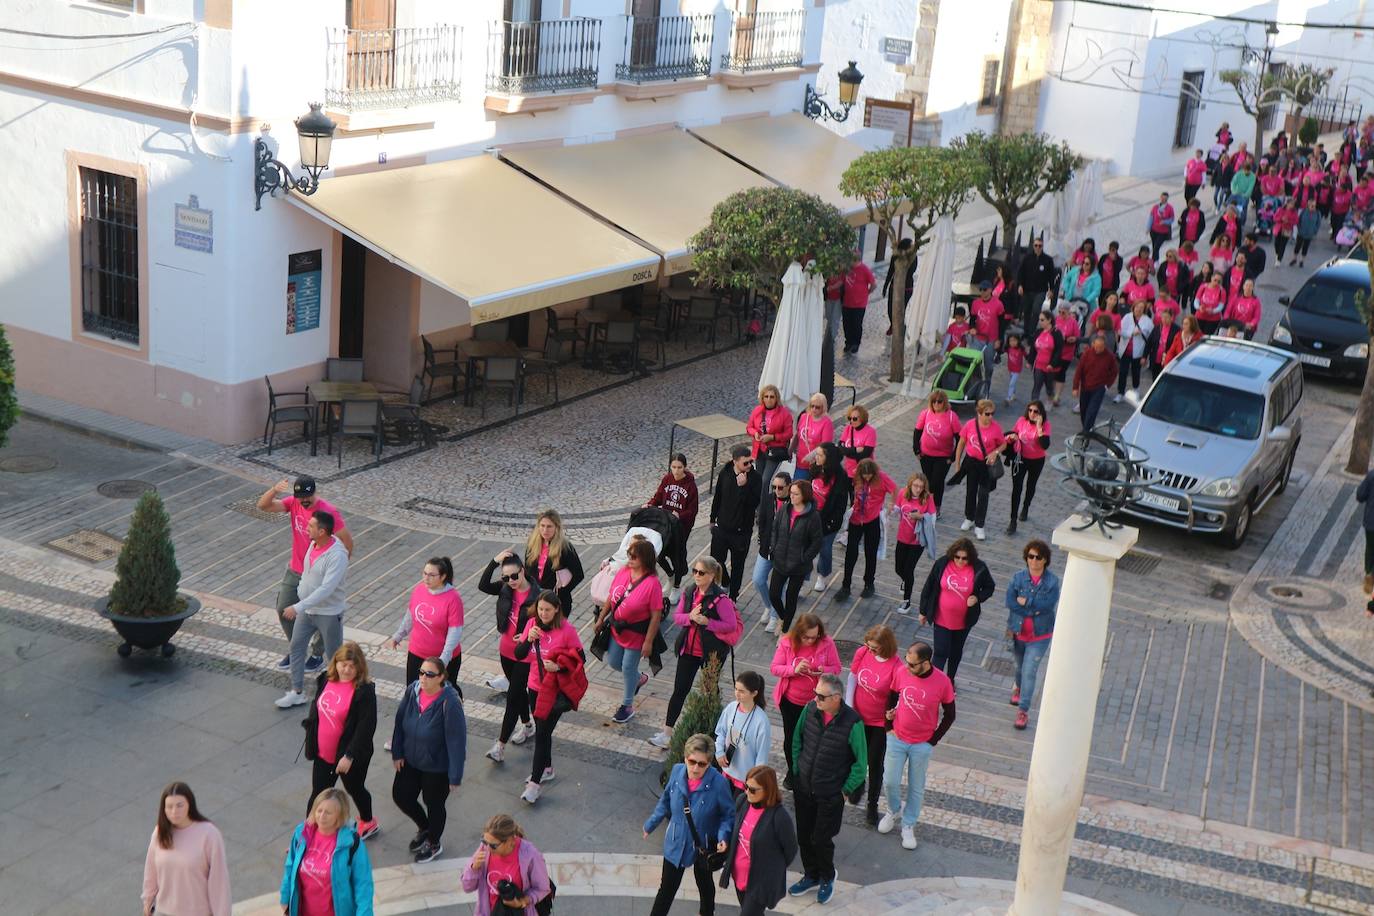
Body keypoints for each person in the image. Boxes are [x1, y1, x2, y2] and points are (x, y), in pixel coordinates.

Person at [257, 476, 353, 674]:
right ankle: (297, 648)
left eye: (308, 496)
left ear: (314, 492)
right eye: (300, 497)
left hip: (319, 573)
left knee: (321, 615)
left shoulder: (328, 512)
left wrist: (338, 569)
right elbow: (263, 506)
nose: (304, 501)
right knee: (283, 607)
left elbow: (347, 541)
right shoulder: (293, 503)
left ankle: (317, 654)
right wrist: (275, 489)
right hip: (295, 569)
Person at [786, 673, 866, 906]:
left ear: (837, 698)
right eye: (815, 694)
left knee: (821, 839)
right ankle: (811, 875)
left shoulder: (853, 722)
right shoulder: (810, 709)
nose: (816, 699)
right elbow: (797, 739)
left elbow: (861, 764)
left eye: (821, 696)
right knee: (803, 836)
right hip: (804, 788)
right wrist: (798, 769)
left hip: (830, 794)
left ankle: (827, 876)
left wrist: (845, 790)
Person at [877, 641, 957, 851]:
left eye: (912, 664)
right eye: (907, 661)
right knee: (890, 781)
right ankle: (894, 810)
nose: (908, 667)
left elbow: (950, 714)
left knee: (916, 787)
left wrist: (933, 739)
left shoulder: (943, 681)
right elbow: (891, 696)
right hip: (897, 737)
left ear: (926, 662)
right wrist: (887, 725)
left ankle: (908, 823)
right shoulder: (902, 672)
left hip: (922, 743)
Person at [653, 556, 740, 749]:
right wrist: (691, 617)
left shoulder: (721, 599)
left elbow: (730, 625)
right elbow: (678, 617)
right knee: (679, 690)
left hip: (711, 653)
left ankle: (716, 733)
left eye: (701, 573)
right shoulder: (690, 591)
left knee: (710, 692)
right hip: (689, 650)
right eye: (694, 571)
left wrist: (707, 623)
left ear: (711, 575)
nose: (696, 576)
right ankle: (667, 733)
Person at [644, 734, 735, 916]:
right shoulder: (677, 771)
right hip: (676, 840)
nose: (695, 768)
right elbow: (666, 799)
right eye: (692, 761)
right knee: (667, 888)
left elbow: (728, 815)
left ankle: (707, 913)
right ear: (685, 757)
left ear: (709, 763)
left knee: (705, 884)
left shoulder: (719, 784)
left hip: (704, 844)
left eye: (702, 764)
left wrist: (724, 836)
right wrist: (651, 823)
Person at [391, 655, 466, 863]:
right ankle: (425, 828)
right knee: (401, 795)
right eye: (421, 672)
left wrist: (455, 775)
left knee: (434, 804)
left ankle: (434, 842)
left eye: (429, 674)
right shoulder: (413, 690)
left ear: (441, 677)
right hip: (411, 759)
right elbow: (399, 721)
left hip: (437, 766)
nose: (423, 678)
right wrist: (397, 752)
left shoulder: (450, 702)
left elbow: (457, 741)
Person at [515, 590, 586, 804]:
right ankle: (547, 768)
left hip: (555, 689)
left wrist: (559, 666)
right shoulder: (532, 624)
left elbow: (580, 659)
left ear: (557, 609)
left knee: (543, 734)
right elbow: (519, 654)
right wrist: (528, 638)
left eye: (548, 609)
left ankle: (534, 784)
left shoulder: (567, 630)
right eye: (540, 609)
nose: (543, 613)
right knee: (542, 730)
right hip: (535, 686)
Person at [304, 641, 379, 840]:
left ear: (359, 668)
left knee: (355, 789)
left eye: (351, 666)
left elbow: (366, 728)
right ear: (335, 663)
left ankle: (368, 820)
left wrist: (349, 755)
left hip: (348, 757)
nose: (346, 669)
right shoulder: (325, 679)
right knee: (317, 796)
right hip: (323, 752)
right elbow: (316, 704)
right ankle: (307, 837)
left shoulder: (364, 692)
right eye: (342, 663)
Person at [276, 510, 350, 709]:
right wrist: (301, 593)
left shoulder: (338, 556)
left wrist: (298, 606)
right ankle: (297, 692)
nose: (306, 528)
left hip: (328, 613)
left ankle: (339, 694)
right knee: (296, 646)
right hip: (308, 611)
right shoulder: (313, 543)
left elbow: (327, 588)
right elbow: (308, 574)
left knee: (335, 655)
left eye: (311, 526)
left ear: (322, 531)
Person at [594, 537, 664, 724]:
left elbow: (656, 615)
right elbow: (611, 596)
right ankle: (639, 679)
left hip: (637, 633)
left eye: (634, 556)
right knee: (615, 662)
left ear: (645, 559)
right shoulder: (624, 571)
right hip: (617, 629)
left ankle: (627, 706)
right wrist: (601, 618)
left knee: (627, 667)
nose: (630, 559)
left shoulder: (653, 584)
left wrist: (648, 642)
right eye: (629, 555)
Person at [770, 613, 841, 788]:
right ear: (799, 633)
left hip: (816, 703)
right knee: (791, 739)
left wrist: (823, 669)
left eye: (814, 637)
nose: (810, 641)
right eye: (806, 637)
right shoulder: (787, 642)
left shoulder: (827, 643)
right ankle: (792, 771)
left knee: (811, 740)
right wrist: (794, 669)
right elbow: (775, 668)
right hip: (791, 701)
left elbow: (837, 668)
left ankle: (809, 772)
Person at [480, 551, 539, 760]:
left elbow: (547, 624)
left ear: (522, 571)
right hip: (505, 652)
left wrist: (527, 635)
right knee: (519, 693)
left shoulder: (537, 595)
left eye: (515, 576)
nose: (511, 581)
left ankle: (500, 746)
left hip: (524, 654)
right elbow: (483, 585)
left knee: (513, 698)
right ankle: (528, 725)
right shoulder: (505, 588)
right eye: (506, 577)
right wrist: (493, 561)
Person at [279, 788, 374, 916]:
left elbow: (363, 884)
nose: (321, 816)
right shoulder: (302, 833)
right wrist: (285, 897)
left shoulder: (351, 843)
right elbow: (290, 866)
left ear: (340, 815)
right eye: (319, 810)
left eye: (328, 813)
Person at [719, 766, 798, 916]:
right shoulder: (742, 801)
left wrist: (773, 868)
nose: (747, 791)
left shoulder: (779, 816)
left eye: (753, 790)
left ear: (767, 790)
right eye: (746, 786)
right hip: (739, 875)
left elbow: (791, 849)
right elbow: (734, 829)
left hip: (760, 882)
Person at [142, 782, 231, 916]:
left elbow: (219, 881)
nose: (174, 812)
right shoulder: (160, 833)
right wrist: (148, 900)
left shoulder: (209, 834)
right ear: (163, 809)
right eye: (169, 806)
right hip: (163, 911)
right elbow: (151, 870)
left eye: (179, 805)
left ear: (190, 804)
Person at [843, 625, 900, 825]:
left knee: (875, 763)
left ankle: (872, 803)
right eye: (868, 646)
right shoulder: (862, 652)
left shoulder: (896, 666)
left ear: (885, 646)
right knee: (854, 755)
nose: (870, 650)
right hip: (858, 716)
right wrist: (849, 707)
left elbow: (897, 696)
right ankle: (858, 783)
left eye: (874, 648)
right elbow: (853, 678)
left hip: (878, 722)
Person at [918, 538, 995, 682]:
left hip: (964, 620)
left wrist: (977, 597)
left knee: (955, 651)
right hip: (941, 617)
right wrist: (923, 611)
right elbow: (929, 586)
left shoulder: (979, 568)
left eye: (964, 558)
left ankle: (949, 680)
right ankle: (934, 682)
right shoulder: (942, 563)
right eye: (957, 557)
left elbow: (990, 587)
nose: (960, 560)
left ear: (970, 557)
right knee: (940, 651)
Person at [1005, 539, 1061, 730]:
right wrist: (1033, 606)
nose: (1034, 561)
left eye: (1038, 557)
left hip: (1040, 635)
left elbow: (1047, 606)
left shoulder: (1052, 582)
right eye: (1030, 556)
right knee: (1020, 667)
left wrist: (1026, 603)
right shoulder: (1017, 578)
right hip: (1018, 631)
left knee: (1030, 671)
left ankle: (1023, 710)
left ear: (1045, 560)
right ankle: (1018, 688)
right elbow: (1010, 602)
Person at [389, 557, 463, 690]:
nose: (426, 578)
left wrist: (444, 659)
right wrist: (398, 635)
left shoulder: (453, 598)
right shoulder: (419, 590)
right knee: (413, 691)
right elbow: (410, 616)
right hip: (417, 654)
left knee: (443, 694)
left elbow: (455, 631)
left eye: (431, 575)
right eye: (424, 573)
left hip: (440, 658)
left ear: (443, 576)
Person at [460, 814, 552, 916]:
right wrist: (473, 868)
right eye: (484, 841)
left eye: (493, 845)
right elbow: (467, 887)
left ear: (510, 841)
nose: (488, 848)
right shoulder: (485, 849)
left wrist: (521, 902)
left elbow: (543, 888)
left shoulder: (530, 855)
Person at [836, 458, 898, 600]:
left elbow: (894, 489)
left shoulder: (882, 478)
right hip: (856, 519)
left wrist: (891, 504)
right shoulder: (855, 476)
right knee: (851, 553)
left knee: (870, 553)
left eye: (870, 475)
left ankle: (869, 583)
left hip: (872, 520)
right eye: (864, 475)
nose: (867, 477)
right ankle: (846, 585)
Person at [768, 479, 824, 632]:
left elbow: (816, 542)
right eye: (791, 493)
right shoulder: (785, 509)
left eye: (795, 494)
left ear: (804, 496)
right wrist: (774, 547)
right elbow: (775, 529)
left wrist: (804, 558)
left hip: (798, 566)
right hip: (780, 560)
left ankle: (785, 630)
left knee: (791, 597)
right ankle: (784, 617)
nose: (791, 496)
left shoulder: (813, 517)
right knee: (773, 594)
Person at [710, 445, 762, 600]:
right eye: (745, 463)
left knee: (738, 566)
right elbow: (718, 496)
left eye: (750, 462)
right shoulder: (725, 473)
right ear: (735, 462)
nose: (749, 465)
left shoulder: (755, 478)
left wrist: (743, 487)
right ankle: (725, 581)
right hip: (723, 528)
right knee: (716, 560)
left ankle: (733, 596)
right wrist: (713, 519)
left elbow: (754, 503)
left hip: (742, 532)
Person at [952, 400, 1007, 541]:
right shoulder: (970, 424)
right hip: (971, 462)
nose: (990, 417)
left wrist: (995, 452)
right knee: (970, 491)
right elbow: (961, 444)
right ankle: (969, 518)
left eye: (992, 414)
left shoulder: (996, 428)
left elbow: (1003, 444)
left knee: (983, 494)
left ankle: (980, 525)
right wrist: (957, 464)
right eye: (987, 414)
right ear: (979, 413)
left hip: (986, 465)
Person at [647, 453, 699, 599]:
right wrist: (649, 504)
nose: (676, 471)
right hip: (665, 523)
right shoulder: (667, 479)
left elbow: (692, 510)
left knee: (677, 557)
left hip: (681, 528)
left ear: (685, 467)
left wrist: (680, 516)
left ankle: (676, 586)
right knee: (658, 552)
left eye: (679, 467)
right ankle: (670, 575)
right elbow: (658, 497)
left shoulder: (691, 486)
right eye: (673, 467)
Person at [716, 671, 772, 796]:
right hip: (726, 772)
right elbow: (721, 732)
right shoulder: (731, 708)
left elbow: (761, 757)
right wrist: (719, 751)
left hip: (745, 780)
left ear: (754, 693)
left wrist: (755, 782)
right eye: (736, 689)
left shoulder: (761, 721)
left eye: (742, 691)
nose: (737, 694)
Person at [808, 442, 850, 593]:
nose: (816, 457)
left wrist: (830, 523)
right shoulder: (816, 468)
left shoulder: (840, 477)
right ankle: (802, 578)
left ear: (829, 458)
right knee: (806, 548)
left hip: (827, 520)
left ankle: (822, 575)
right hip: (810, 515)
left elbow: (840, 505)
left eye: (819, 455)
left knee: (824, 549)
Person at [752, 471, 792, 632]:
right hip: (767, 549)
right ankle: (769, 606)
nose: (777, 490)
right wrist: (762, 540)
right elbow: (761, 521)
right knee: (758, 580)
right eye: (774, 487)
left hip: (784, 552)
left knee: (779, 587)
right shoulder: (769, 499)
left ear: (789, 486)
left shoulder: (793, 503)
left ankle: (775, 617)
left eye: (781, 487)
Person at [892, 474, 937, 613]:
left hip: (917, 541)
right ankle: (906, 581)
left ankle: (907, 601)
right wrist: (890, 509)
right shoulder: (902, 493)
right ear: (910, 484)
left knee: (908, 570)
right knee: (898, 568)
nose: (918, 489)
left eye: (921, 487)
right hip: (902, 537)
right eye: (915, 486)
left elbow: (933, 519)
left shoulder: (927, 498)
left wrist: (921, 517)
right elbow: (897, 509)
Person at [525, 509, 583, 615]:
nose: (545, 530)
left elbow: (578, 574)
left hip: (556, 603)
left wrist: (562, 592)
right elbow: (527, 570)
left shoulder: (565, 548)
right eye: (542, 526)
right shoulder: (532, 544)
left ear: (557, 527)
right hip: (535, 600)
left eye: (549, 526)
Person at [1007, 401, 1051, 534]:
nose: (1032, 413)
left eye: (1035, 411)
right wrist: (1011, 438)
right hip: (1020, 459)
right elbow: (1012, 434)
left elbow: (1045, 445)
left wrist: (1039, 427)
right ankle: (1013, 520)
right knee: (1017, 488)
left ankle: (1026, 507)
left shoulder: (1045, 425)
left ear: (1040, 413)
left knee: (1031, 485)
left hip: (1037, 460)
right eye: (1030, 410)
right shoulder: (1021, 420)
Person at [913, 389, 961, 513]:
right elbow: (917, 432)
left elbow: (959, 438)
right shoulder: (926, 413)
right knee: (928, 481)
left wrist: (953, 456)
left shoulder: (952, 417)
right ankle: (930, 506)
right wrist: (916, 450)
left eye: (939, 401)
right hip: (926, 454)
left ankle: (934, 507)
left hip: (944, 457)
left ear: (944, 402)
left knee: (937, 481)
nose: (936, 404)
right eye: (933, 401)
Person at [747, 384, 794, 501]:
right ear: (762, 398)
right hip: (759, 450)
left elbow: (789, 434)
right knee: (758, 479)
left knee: (765, 480)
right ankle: (758, 503)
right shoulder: (757, 411)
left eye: (771, 397)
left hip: (775, 451)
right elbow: (749, 427)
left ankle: (763, 505)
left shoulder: (784, 413)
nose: (768, 399)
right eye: (766, 396)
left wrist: (772, 437)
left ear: (776, 398)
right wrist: (755, 433)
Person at [1073, 333, 1118, 432]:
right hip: (1085, 386)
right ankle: (1087, 427)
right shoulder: (1087, 354)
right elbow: (1079, 370)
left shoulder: (1110, 356)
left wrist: (1107, 385)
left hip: (1099, 388)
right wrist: (1075, 387)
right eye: (1096, 347)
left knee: (1092, 411)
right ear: (1093, 344)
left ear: (1104, 346)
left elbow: (1114, 372)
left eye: (1100, 347)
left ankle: (1086, 432)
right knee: (1083, 410)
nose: (1097, 349)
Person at [1016, 237, 1057, 331]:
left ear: (1042, 247)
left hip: (1040, 291)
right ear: (1033, 246)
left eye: (1040, 246)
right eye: (1036, 245)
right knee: (1026, 311)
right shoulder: (1027, 258)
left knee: (1036, 310)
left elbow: (1051, 276)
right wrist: (1020, 285)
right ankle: (1026, 331)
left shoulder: (1048, 260)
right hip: (1027, 290)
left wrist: (1051, 289)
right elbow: (1021, 272)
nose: (1038, 247)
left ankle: (1032, 330)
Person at [1115, 300, 1153, 402]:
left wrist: (1146, 355)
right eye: (1137, 307)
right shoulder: (1127, 317)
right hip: (1125, 350)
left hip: (1138, 352)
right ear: (1133, 307)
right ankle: (1120, 393)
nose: (1139, 309)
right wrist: (1131, 334)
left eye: (1141, 307)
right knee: (1123, 372)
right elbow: (1120, 331)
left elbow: (1150, 338)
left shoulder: (1147, 321)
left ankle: (1136, 389)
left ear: (1144, 309)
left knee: (1136, 372)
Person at [840, 251, 877, 354]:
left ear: (855, 260)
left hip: (859, 304)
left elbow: (873, 284)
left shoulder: (865, 269)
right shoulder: (847, 269)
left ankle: (856, 343)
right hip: (847, 302)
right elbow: (842, 281)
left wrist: (867, 293)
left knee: (856, 324)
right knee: (846, 324)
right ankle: (848, 342)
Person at [792, 393, 834, 482]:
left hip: (816, 464)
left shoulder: (827, 423)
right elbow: (797, 435)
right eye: (812, 406)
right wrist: (790, 450)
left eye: (817, 407)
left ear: (823, 408)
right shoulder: (804, 417)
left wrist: (810, 456)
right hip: (801, 462)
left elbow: (825, 446)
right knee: (797, 486)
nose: (814, 409)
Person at [882, 238, 918, 335]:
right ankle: (892, 325)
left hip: (907, 288)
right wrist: (885, 286)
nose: (912, 247)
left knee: (901, 309)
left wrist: (906, 260)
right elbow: (890, 271)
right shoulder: (895, 256)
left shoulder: (913, 257)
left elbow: (912, 271)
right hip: (894, 286)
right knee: (890, 308)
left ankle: (898, 327)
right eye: (910, 245)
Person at [1029, 311, 1064, 405]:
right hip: (1039, 365)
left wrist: (1052, 364)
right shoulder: (1038, 332)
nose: (1040, 322)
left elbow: (1058, 350)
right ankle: (1034, 405)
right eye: (1039, 319)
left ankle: (1051, 398)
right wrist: (1030, 361)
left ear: (1049, 320)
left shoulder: (1056, 333)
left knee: (1049, 387)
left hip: (1050, 367)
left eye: (1042, 320)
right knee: (1037, 386)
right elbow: (1033, 348)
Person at [837, 404, 877, 478]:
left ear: (862, 418)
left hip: (863, 472)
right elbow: (839, 449)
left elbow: (865, 454)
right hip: (848, 471)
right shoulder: (848, 428)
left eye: (854, 419)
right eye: (850, 418)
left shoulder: (870, 431)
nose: (851, 421)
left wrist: (847, 452)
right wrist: (855, 450)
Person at [1145, 307, 1180, 378]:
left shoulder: (1177, 330)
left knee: (1164, 378)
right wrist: (1144, 356)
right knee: (1155, 377)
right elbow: (1149, 342)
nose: (1164, 319)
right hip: (1156, 358)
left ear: (1171, 318)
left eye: (1166, 317)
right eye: (1163, 317)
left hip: (1167, 359)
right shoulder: (1157, 328)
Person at [1356, 469, 1374, 600]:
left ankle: (1368, 571)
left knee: (1370, 548)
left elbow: (1360, 495)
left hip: (1371, 521)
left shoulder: (1372, 475)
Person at [1148, 192, 1176, 260]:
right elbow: (1151, 217)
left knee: (1156, 247)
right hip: (1154, 230)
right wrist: (1148, 227)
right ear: (1160, 197)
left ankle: (1153, 261)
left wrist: (1164, 222)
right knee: (1154, 246)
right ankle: (1155, 261)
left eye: (1165, 199)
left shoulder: (1170, 208)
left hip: (1163, 232)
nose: (1163, 200)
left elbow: (1172, 219)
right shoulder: (1155, 207)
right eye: (1162, 198)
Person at [1294, 198, 1322, 267]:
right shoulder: (1304, 211)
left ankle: (1302, 261)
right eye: (1311, 206)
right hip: (1301, 232)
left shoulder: (1317, 213)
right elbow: (1299, 220)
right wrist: (1299, 228)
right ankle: (1294, 258)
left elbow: (1318, 223)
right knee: (1298, 246)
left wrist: (1314, 231)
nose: (1313, 207)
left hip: (1309, 234)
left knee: (1305, 247)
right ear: (1308, 206)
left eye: (1314, 206)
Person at [1274, 197, 1300, 263]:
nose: (1292, 205)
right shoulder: (1280, 209)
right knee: (1276, 243)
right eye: (1291, 204)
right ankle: (1277, 254)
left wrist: (1289, 221)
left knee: (1283, 245)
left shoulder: (1294, 212)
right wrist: (1281, 219)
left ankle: (1279, 260)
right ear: (1287, 203)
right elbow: (1275, 218)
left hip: (1287, 230)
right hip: (1279, 229)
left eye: (1293, 204)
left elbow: (1296, 221)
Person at [1004, 332, 1027, 403]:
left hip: (1017, 370)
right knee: (1012, 382)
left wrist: (1029, 362)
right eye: (1011, 341)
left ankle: (1009, 397)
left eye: (1014, 340)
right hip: (1010, 368)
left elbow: (1026, 356)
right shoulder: (1008, 348)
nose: (1012, 343)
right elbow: (1001, 351)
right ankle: (1013, 394)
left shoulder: (1021, 349)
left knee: (1011, 383)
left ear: (1018, 341)